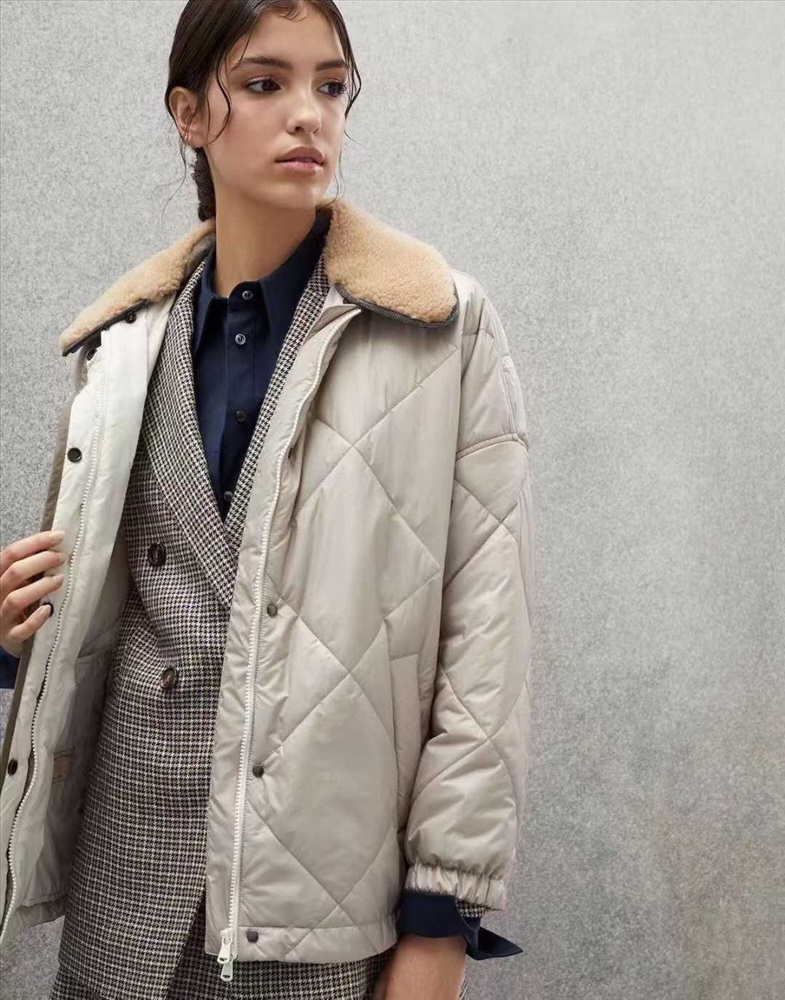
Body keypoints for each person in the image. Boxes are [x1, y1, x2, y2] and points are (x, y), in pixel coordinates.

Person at [0, 1, 534, 998]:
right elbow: (89, 613)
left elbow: (485, 649)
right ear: (189, 114)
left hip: (310, 912)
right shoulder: (121, 343)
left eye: (329, 86)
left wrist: (439, 926)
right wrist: (13, 637)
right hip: (123, 890)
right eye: (263, 83)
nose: (307, 114)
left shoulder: (439, 330)